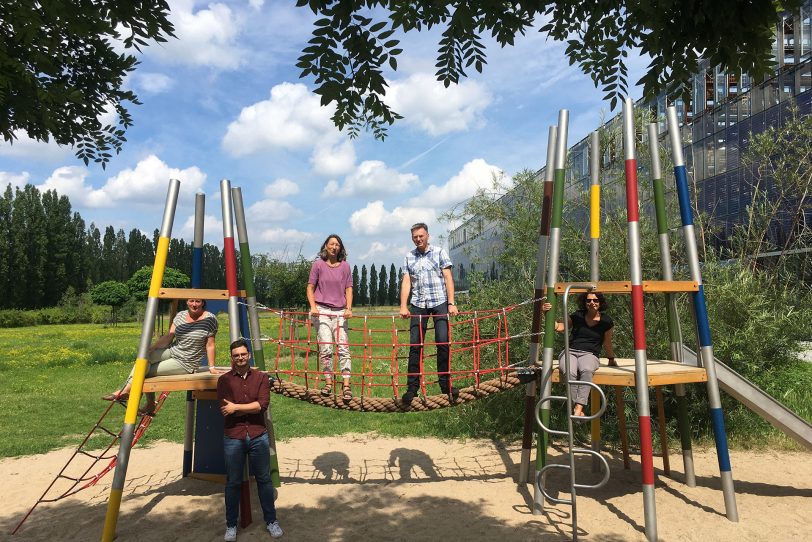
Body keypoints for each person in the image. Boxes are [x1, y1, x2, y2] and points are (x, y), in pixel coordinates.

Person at [103, 298, 219, 414]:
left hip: (186, 362)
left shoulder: (209, 319)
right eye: (191, 301)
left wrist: (211, 367)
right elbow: (169, 336)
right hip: (173, 350)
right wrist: (152, 348)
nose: (194, 304)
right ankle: (131, 392)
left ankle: (137, 396)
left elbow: (210, 345)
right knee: (143, 358)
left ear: (203, 303)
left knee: (145, 372)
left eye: (198, 301)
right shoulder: (181, 315)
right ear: (187, 302)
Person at [218, 339, 283, 541]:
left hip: (257, 434)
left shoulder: (261, 378)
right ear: (231, 358)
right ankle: (231, 525)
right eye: (236, 355)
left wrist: (237, 407)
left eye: (243, 354)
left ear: (249, 355)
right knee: (233, 482)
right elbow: (225, 409)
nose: (240, 358)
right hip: (234, 436)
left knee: (264, 479)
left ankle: (271, 521)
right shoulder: (224, 380)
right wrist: (246, 407)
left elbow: (261, 406)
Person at [399, 222, 459, 406]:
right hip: (418, 304)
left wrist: (451, 303)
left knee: (442, 342)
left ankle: (446, 386)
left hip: (439, 301)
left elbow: (448, 277)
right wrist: (403, 305)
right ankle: (411, 389)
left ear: (427, 236)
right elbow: (407, 282)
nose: (418, 239)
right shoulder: (409, 257)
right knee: (415, 345)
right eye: (415, 237)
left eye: (421, 236)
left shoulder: (439, 252)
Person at [542, 291, 617, 417]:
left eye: (595, 300)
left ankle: (578, 407)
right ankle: (577, 409)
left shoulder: (606, 321)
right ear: (584, 302)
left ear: (600, 303)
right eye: (588, 300)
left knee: (586, 370)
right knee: (569, 372)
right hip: (570, 351)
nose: (592, 302)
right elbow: (560, 327)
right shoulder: (577, 316)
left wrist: (611, 358)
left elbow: (607, 342)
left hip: (590, 354)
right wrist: (546, 314)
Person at [306, 234, 354, 400]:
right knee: (326, 347)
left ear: (340, 248)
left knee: (343, 347)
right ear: (326, 246)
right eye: (331, 244)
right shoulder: (318, 265)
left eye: (337, 245)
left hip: (340, 310)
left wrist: (348, 308)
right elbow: (310, 287)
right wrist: (313, 307)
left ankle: (346, 385)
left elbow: (348, 288)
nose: (334, 247)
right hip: (322, 310)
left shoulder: (345, 266)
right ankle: (328, 382)